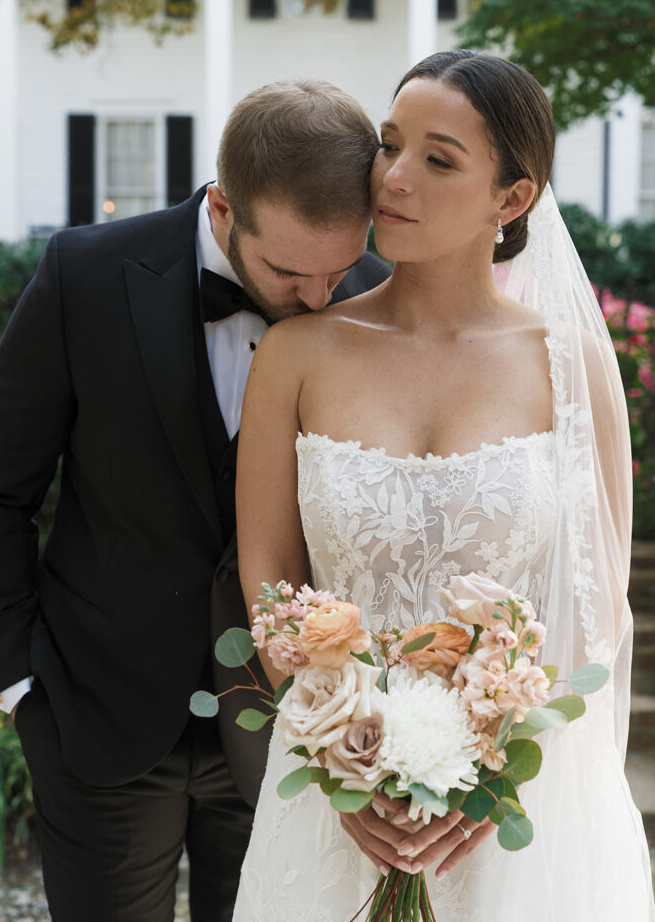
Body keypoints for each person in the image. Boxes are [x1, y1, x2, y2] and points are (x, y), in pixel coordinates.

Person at [232, 51, 655, 920]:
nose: (392, 176)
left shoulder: (565, 362)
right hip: (335, 794)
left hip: (517, 810)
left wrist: (489, 778)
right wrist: (341, 765)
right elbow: (270, 580)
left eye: (438, 158)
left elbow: (598, 606)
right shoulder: (296, 355)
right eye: (389, 145)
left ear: (511, 200)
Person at [0, 80, 392, 922]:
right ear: (226, 205)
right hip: (97, 717)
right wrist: (17, 681)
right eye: (288, 272)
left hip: (292, 733)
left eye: (338, 270)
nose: (319, 300)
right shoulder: (83, 275)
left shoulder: (378, 302)